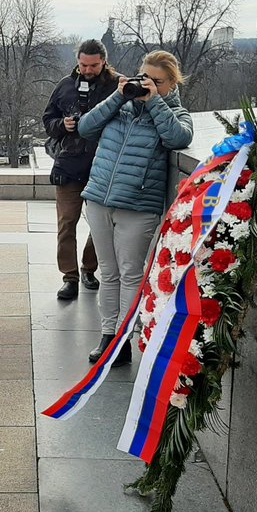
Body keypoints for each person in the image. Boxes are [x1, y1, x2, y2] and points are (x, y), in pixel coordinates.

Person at [78, 50, 192, 367]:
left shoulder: (176, 113)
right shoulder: (121, 105)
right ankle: (107, 334)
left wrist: (154, 101)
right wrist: (118, 96)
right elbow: (86, 127)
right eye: (144, 77)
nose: (147, 84)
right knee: (108, 272)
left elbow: (178, 138)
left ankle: (122, 339)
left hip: (138, 205)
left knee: (130, 273)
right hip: (99, 198)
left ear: (172, 84)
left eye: (157, 81)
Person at [42, 39, 118, 301]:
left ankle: (89, 268)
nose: (87, 70)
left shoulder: (117, 86)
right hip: (69, 164)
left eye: (93, 65)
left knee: (101, 225)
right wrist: (62, 125)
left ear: (104, 62)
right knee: (66, 224)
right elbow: (48, 121)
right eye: (83, 65)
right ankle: (69, 277)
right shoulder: (65, 85)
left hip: (103, 165)